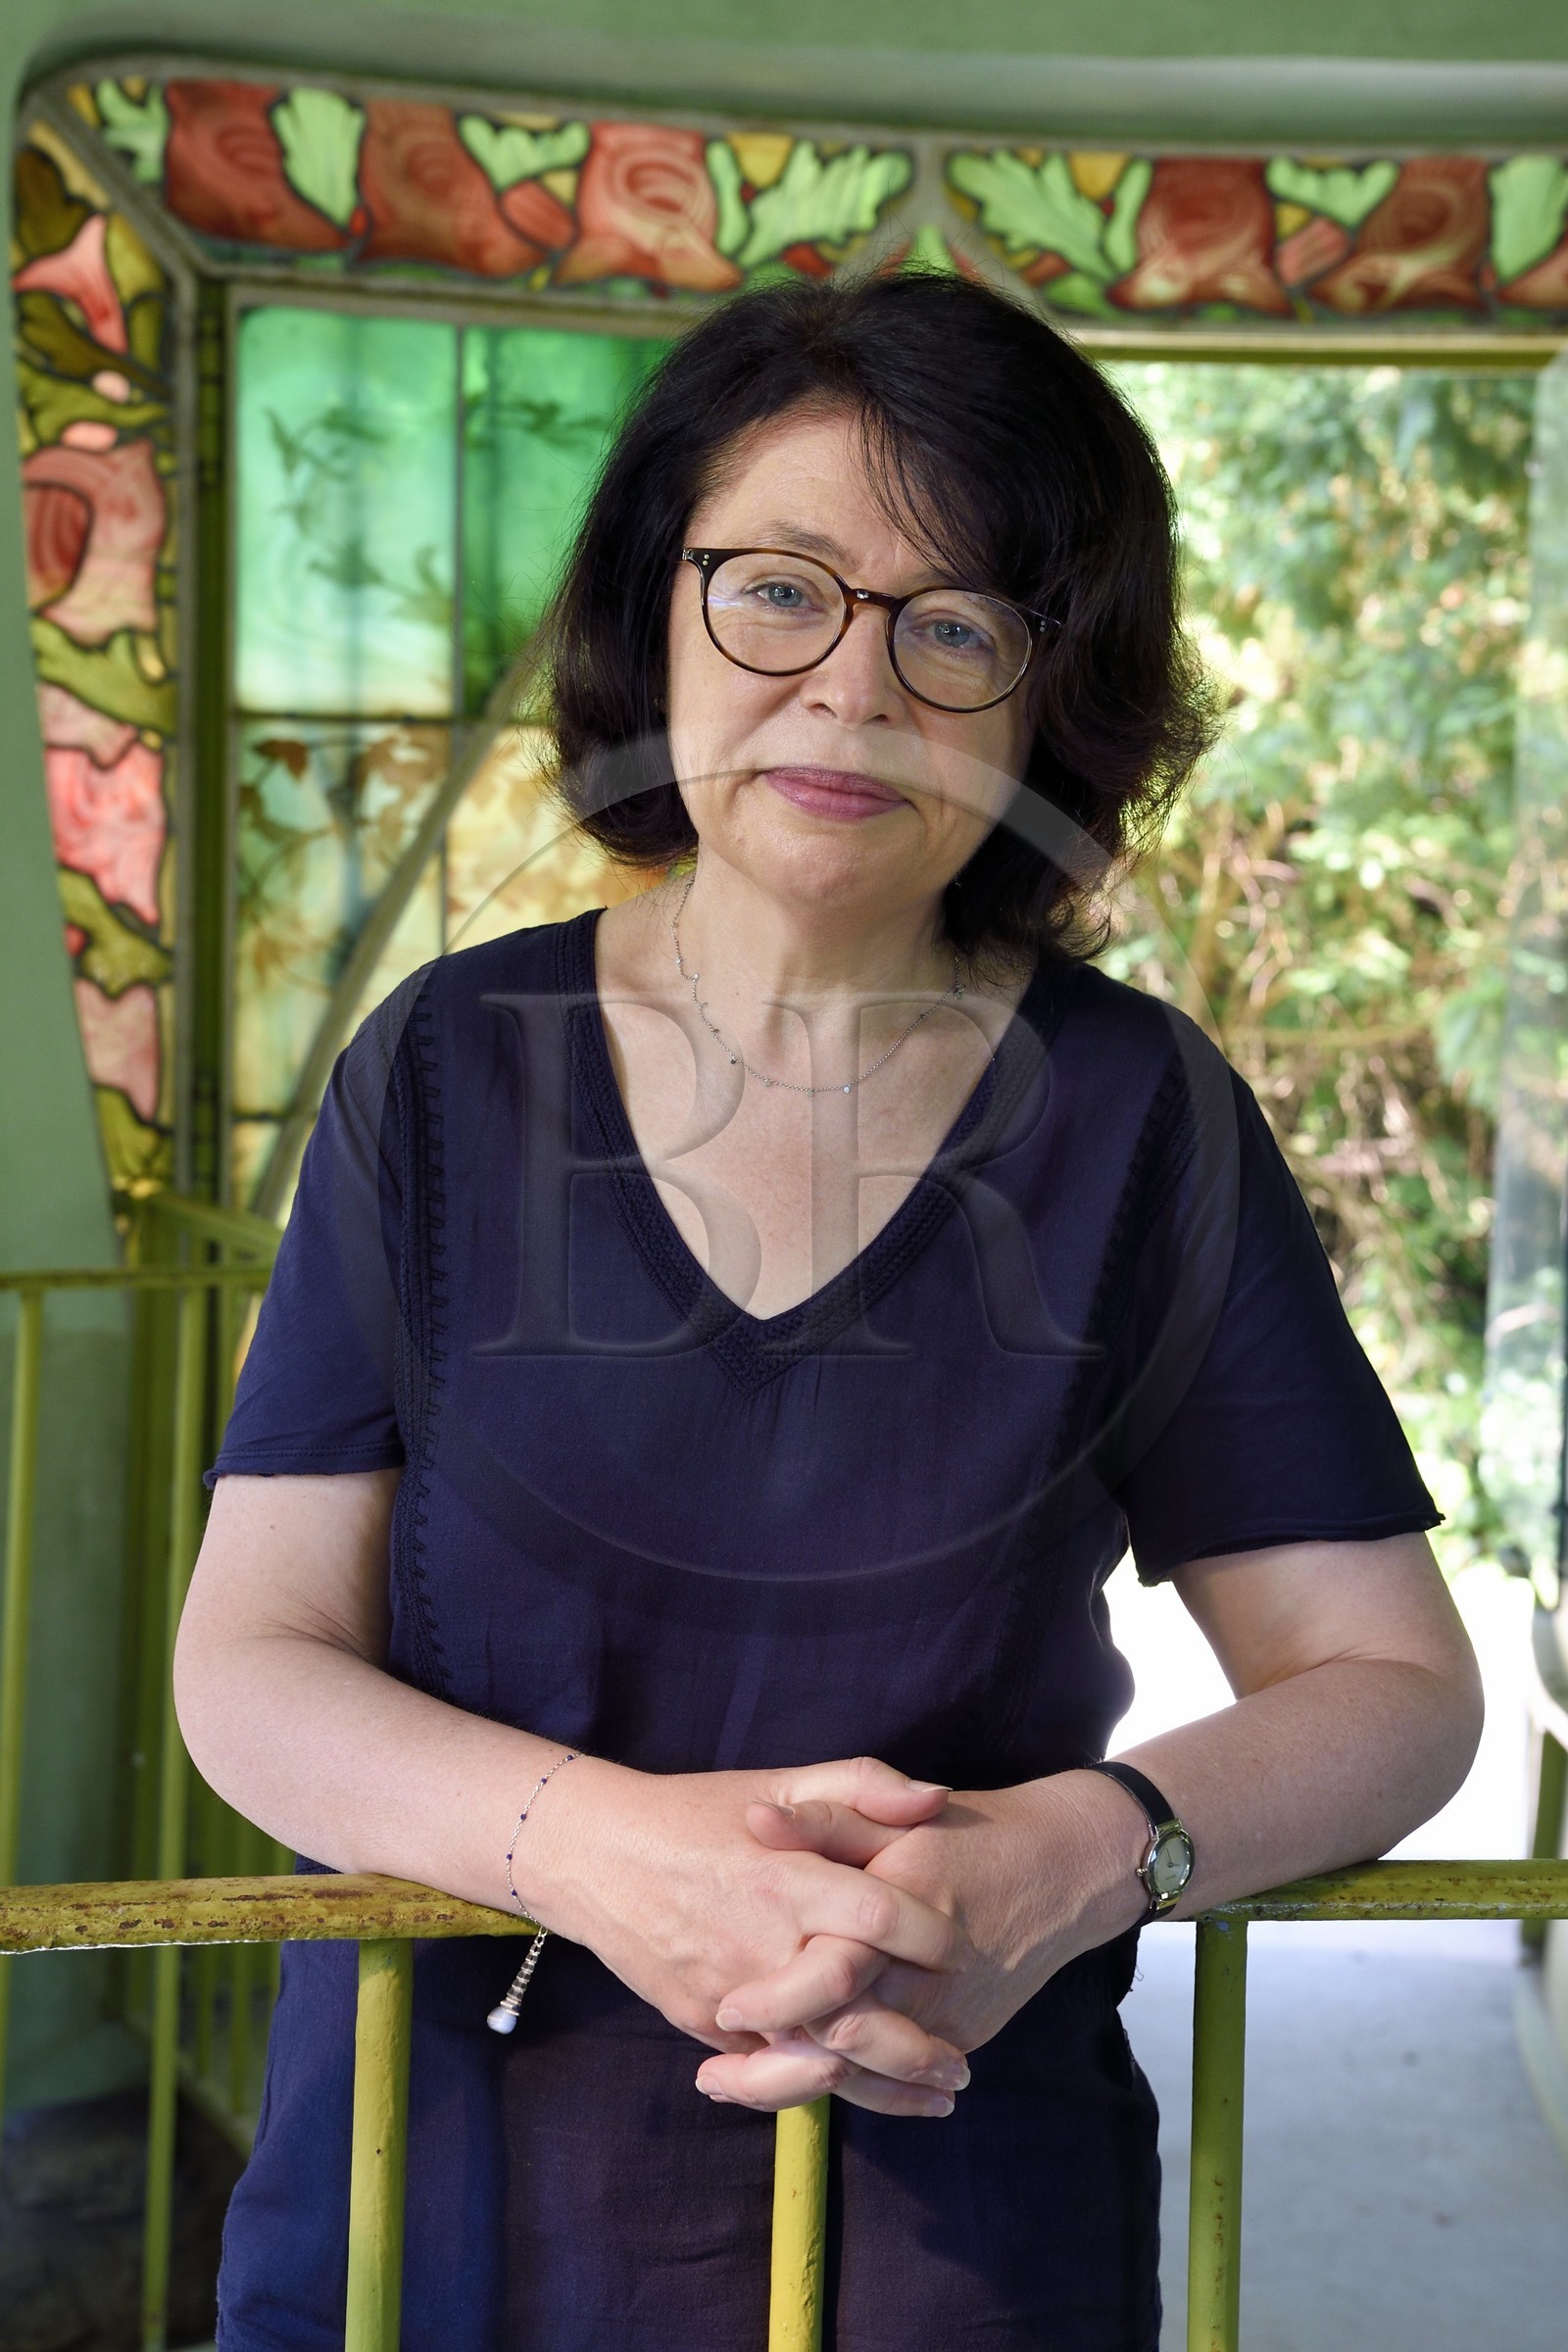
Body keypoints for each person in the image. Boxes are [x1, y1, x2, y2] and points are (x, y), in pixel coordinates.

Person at [174, 272, 1482, 2351]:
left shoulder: (1141, 1120)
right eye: (774, 589)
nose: (847, 692)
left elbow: (1390, 1685)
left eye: (952, 627)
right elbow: (248, 1665)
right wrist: (604, 1855)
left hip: (952, 2221)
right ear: (652, 614)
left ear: (1051, 699)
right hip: (437, 2210)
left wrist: (1073, 1859)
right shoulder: (441, 1071)